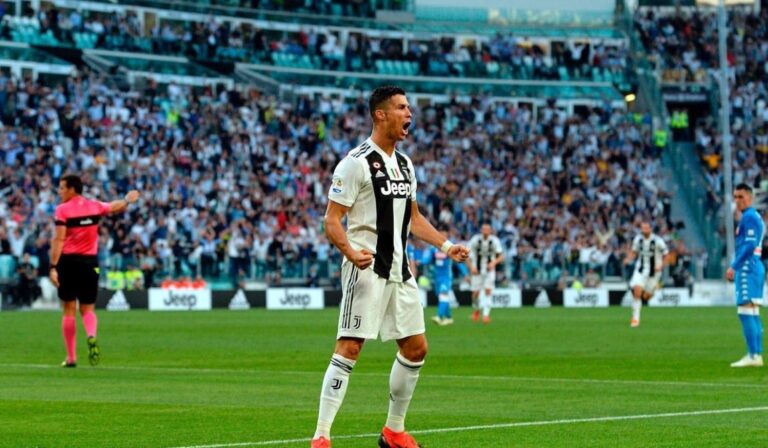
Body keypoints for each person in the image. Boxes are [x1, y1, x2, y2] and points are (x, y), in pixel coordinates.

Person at [311, 86, 469, 448]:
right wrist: (350, 252)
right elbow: (332, 220)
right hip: (366, 267)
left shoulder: (405, 164)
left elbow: (414, 217)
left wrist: (446, 246)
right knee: (350, 347)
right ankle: (321, 436)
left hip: (401, 269)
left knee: (416, 348)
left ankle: (393, 431)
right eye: (401, 107)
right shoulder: (355, 163)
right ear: (380, 114)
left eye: (409, 107)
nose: (409, 114)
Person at [50, 174, 139, 368]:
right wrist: (127, 200)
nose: (59, 191)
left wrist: (53, 267)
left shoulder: (62, 210)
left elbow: (59, 239)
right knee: (88, 308)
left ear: (72, 189)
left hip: (68, 263)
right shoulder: (94, 206)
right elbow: (113, 206)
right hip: (90, 263)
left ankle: (71, 357)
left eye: (62, 188)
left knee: (69, 308)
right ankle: (91, 335)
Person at [726, 184, 764, 367]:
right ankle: (756, 355)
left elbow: (749, 245)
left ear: (750, 197)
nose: (737, 201)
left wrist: (734, 266)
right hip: (755, 265)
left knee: (745, 311)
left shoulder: (748, 217)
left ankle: (753, 355)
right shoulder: (754, 216)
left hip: (748, 266)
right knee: (752, 311)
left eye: (741, 196)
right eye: (735, 197)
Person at [624, 221, 669, 328]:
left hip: (654, 272)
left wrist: (661, 265)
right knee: (637, 290)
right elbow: (634, 252)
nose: (643, 230)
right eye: (642, 228)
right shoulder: (638, 239)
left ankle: (654, 288)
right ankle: (635, 318)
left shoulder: (658, 241)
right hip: (640, 270)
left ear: (650, 229)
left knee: (646, 297)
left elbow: (667, 256)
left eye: (646, 228)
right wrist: (628, 258)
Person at [427, 225, 468, 325]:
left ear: (447, 235)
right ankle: (449, 317)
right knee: (442, 297)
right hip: (437, 277)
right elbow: (428, 259)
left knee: (443, 295)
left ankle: (439, 316)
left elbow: (458, 263)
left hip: (446, 277)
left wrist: (465, 274)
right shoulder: (434, 249)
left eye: (444, 234)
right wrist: (420, 261)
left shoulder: (450, 248)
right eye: (440, 233)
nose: (442, 235)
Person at [466, 223, 504, 324]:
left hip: (489, 270)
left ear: (490, 230)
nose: (485, 231)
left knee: (488, 290)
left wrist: (493, 263)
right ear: (481, 230)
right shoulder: (475, 240)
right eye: (484, 229)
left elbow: (501, 256)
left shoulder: (494, 241)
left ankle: (486, 315)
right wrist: (471, 267)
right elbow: (466, 255)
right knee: (475, 294)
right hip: (477, 271)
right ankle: (476, 310)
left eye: (487, 229)